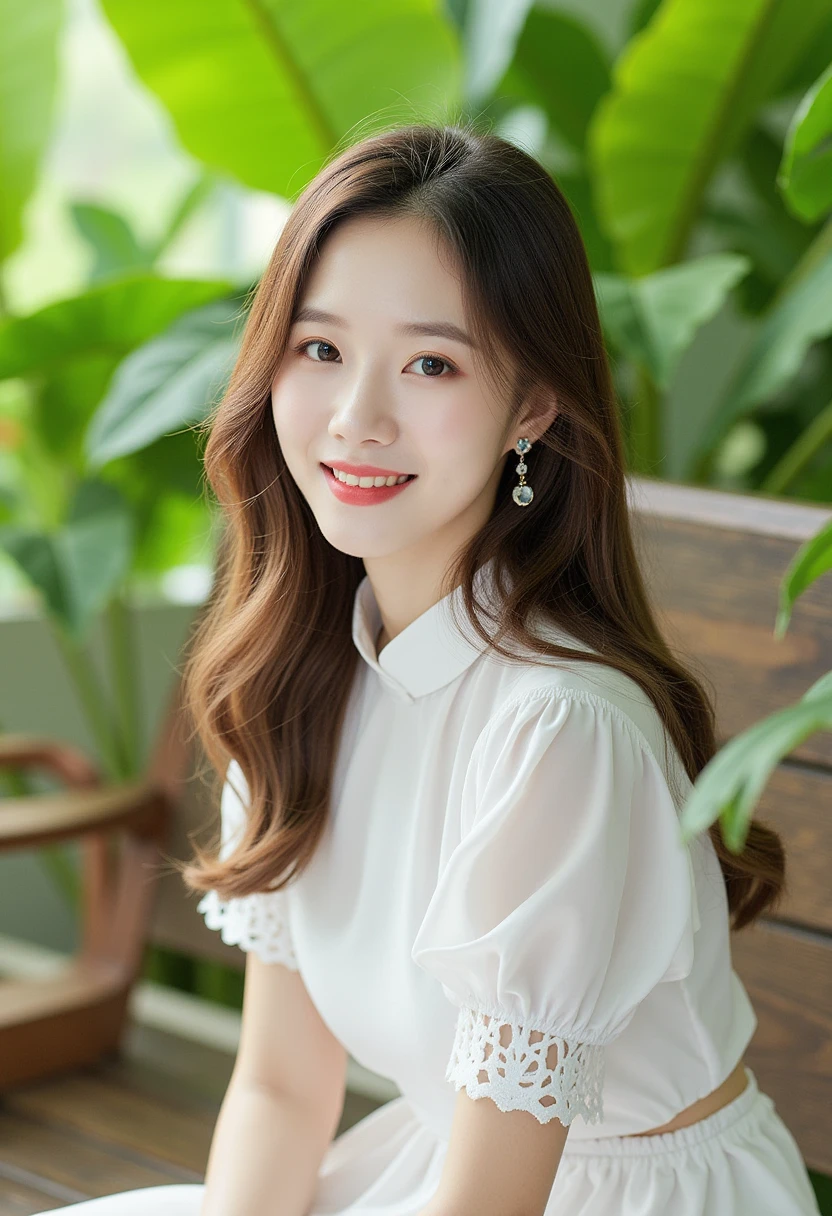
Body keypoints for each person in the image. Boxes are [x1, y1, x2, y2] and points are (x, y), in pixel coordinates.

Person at [44, 122, 822, 1215]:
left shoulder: (560, 729)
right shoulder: (303, 669)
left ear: (533, 407)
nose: (357, 419)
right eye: (319, 350)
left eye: (430, 363)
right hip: (433, 1165)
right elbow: (277, 1087)